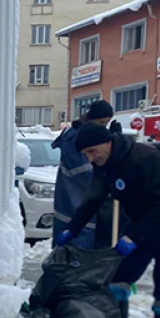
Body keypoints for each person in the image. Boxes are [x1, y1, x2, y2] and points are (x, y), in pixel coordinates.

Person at [57, 121, 160, 318]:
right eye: (86, 154)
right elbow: (93, 199)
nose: (90, 158)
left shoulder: (144, 159)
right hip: (142, 218)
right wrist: (73, 228)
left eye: (92, 151)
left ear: (107, 142)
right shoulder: (105, 164)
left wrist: (133, 237)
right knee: (120, 275)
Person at [52, 100, 116, 249]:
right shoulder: (76, 141)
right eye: (101, 122)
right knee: (72, 259)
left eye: (106, 123)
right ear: (90, 119)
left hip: (79, 211)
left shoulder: (80, 137)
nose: (103, 127)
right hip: (73, 210)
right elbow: (87, 176)